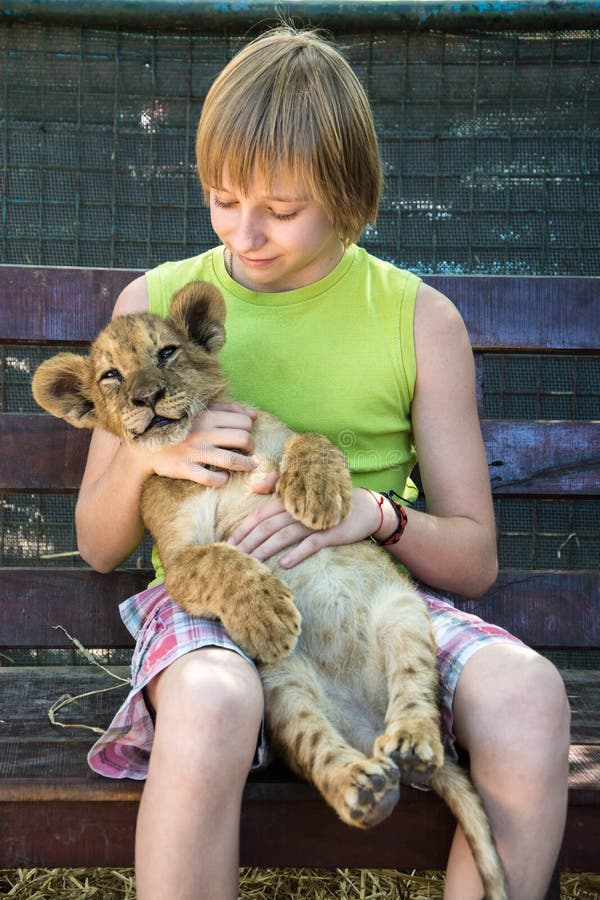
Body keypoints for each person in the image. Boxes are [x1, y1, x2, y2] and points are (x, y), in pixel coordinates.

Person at [77, 26, 570, 900]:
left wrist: (374, 515)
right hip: (214, 601)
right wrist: (158, 447)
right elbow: (96, 543)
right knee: (215, 701)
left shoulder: (417, 320)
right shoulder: (151, 309)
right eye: (222, 199)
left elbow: (474, 559)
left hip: (361, 588)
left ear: (349, 196)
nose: (245, 232)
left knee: (530, 698)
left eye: (282, 206)